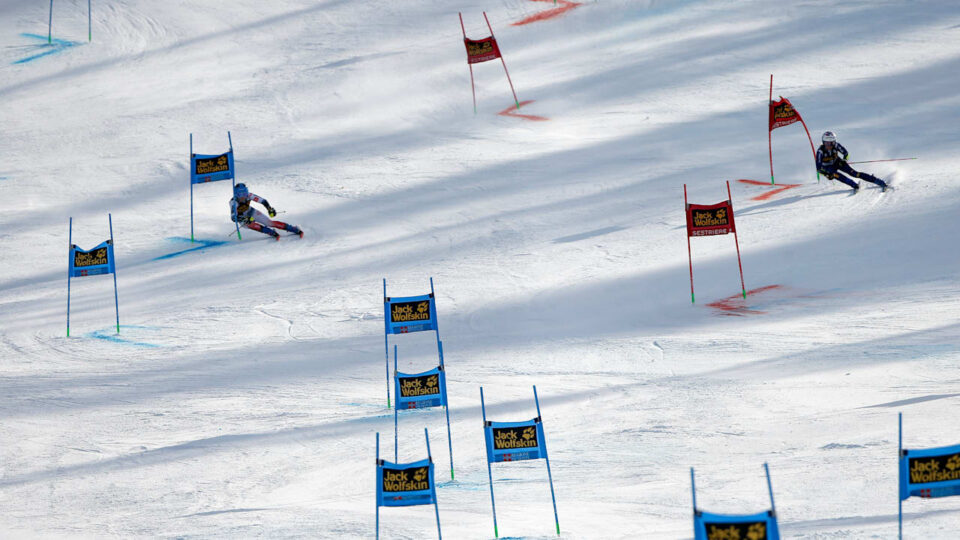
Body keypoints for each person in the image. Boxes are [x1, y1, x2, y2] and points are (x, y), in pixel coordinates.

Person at [816, 131, 887, 192]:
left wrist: (844, 160)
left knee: (854, 174)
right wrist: (826, 174)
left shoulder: (837, 145)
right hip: (828, 167)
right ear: (823, 142)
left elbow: (846, 153)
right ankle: (854, 185)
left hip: (838, 162)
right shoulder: (820, 152)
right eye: (826, 143)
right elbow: (819, 169)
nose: (828, 145)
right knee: (837, 175)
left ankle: (877, 180)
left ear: (834, 142)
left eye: (831, 143)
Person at [229, 183, 303, 240]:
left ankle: (293, 228)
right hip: (241, 217)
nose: (243, 197)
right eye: (240, 194)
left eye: (244, 194)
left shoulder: (249, 195)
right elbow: (233, 217)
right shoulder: (233, 202)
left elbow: (263, 201)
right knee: (250, 224)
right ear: (236, 194)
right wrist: (243, 219)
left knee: (269, 223)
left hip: (251, 211)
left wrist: (269, 209)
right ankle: (270, 232)